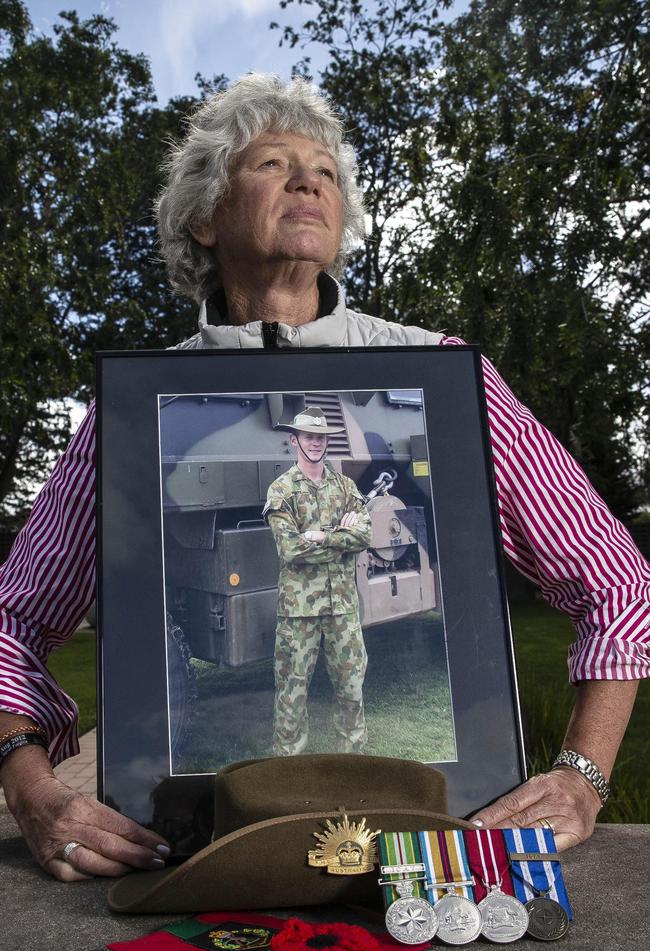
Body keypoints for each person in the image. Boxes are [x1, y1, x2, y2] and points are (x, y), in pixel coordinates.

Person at [0, 74, 648, 881]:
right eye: (272, 162)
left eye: (327, 171)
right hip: (198, 857)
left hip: (431, 848)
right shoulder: (131, 416)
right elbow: (12, 624)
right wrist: (29, 784)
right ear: (204, 217)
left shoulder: (447, 378)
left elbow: (618, 581)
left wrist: (582, 777)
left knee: (352, 689)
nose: (310, 179)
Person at [263, 406, 372, 755]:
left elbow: (365, 536)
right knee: (292, 697)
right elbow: (290, 549)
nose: (315, 443)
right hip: (299, 612)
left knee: (352, 691)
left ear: (328, 442)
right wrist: (342, 536)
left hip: (342, 609)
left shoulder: (345, 486)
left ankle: (353, 770)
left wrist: (323, 537)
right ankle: (288, 776)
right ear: (295, 440)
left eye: (321, 437)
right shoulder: (281, 490)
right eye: (309, 436)